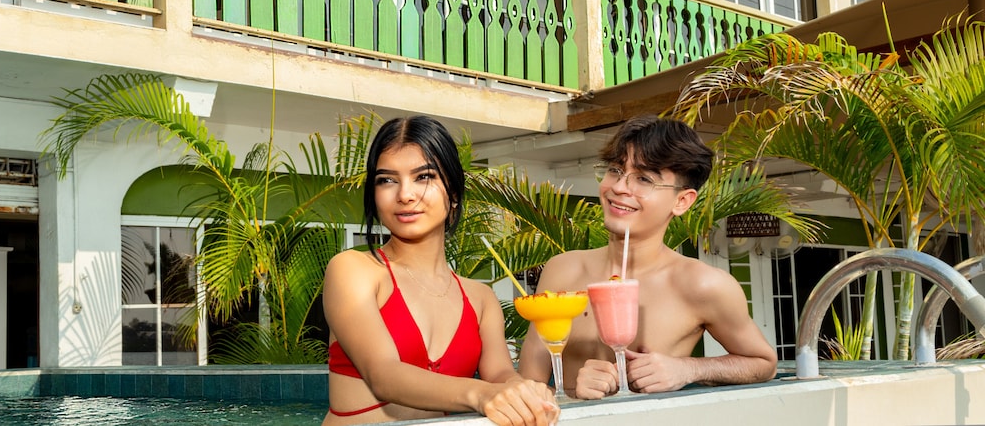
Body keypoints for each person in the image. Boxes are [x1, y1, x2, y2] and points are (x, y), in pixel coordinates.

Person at [517, 115, 777, 399]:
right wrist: (570, 396)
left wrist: (688, 369)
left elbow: (763, 363)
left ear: (682, 201)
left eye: (643, 179)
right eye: (615, 170)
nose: (619, 187)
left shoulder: (702, 284)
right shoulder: (562, 270)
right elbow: (529, 384)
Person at [323, 115, 559, 425]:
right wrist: (481, 394)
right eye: (387, 180)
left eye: (424, 177)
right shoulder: (354, 270)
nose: (405, 195)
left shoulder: (481, 299)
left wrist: (523, 389)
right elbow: (384, 375)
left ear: (454, 194)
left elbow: (500, 373)